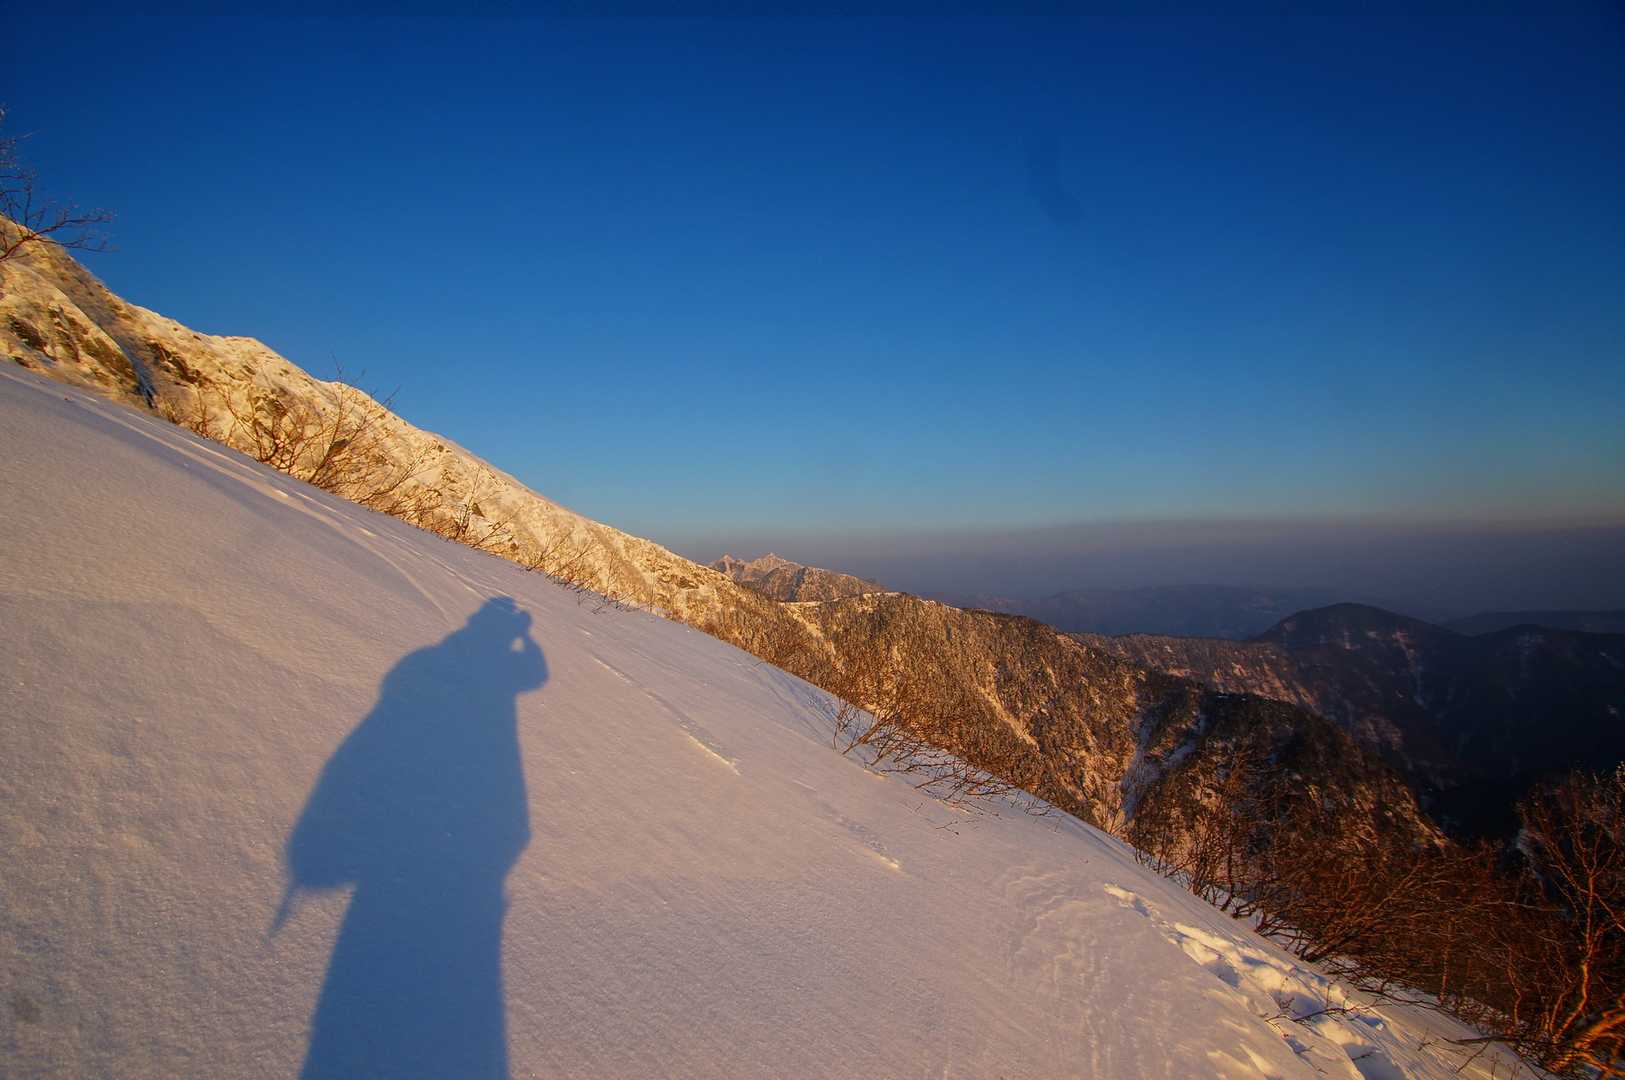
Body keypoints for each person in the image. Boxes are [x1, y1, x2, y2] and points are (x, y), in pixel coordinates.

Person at [283, 597, 546, 1079]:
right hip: (464, 835)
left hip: (424, 835)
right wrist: (525, 635)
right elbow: (537, 672)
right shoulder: (499, 670)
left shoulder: (426, 664)